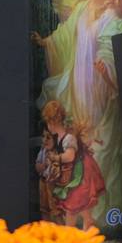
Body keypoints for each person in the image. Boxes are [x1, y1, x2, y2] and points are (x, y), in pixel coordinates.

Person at [33, 0, 122, 230]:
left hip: (97, 85)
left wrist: (105, 70)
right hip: (76, 82)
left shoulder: (112, 15)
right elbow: (66, 34)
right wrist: (46, 42)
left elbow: (113, 47)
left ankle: (101, 211)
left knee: (98, 140)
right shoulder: (82, 9)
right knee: (76, 134)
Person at [38, 99, 105, 230]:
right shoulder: (61, 137)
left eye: (48, 122)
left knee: (72, 206)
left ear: (53, 122)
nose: (48, 126)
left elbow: (70, 156)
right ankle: (88, 228)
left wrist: (55, 158)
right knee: (81, 207)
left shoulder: (68, 138)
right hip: (75, 174)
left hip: (81, 175)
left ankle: (72, 235)